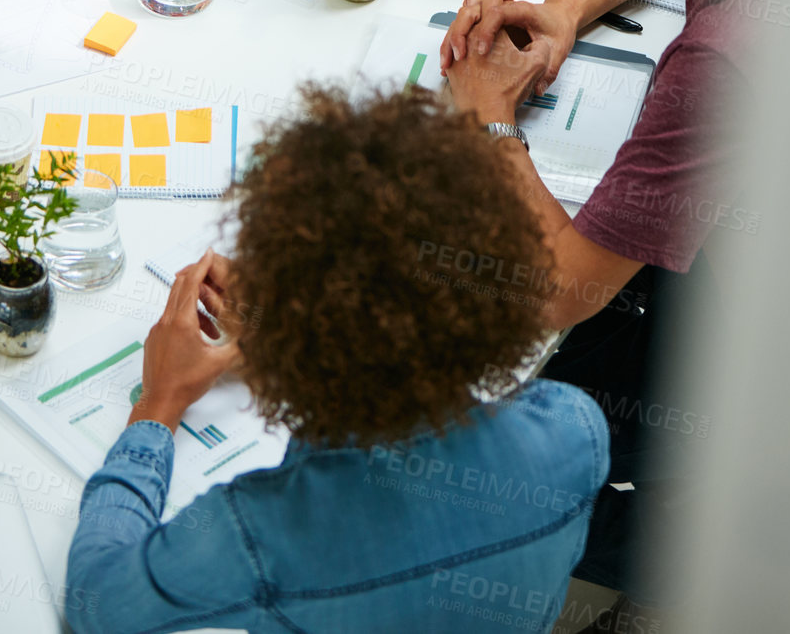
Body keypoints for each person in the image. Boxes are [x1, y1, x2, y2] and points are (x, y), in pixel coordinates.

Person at [440, 0, 790, 610]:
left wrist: (490, 120)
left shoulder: (727, 57)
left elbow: (566, 287)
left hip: (768, 331)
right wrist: (564, 9)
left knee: (498, 435)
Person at [63, 85, 609, 634]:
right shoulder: (575, 431)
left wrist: (158, 405)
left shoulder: (262, 537)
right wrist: (290, 339)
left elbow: (98, 606)